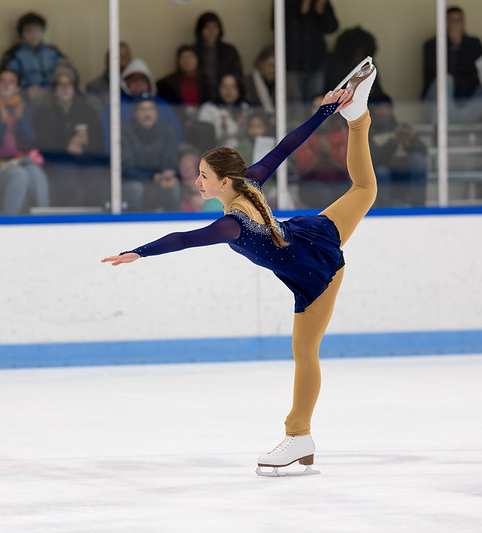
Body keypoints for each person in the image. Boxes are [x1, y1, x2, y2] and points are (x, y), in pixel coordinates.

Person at [102, 57, 379, 475]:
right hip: (314, 235)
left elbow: (184, 240)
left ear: (224, 182)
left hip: (314, 273)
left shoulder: (233, 224)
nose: (197, 182)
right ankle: (358, 117)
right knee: (364, 188)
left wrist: (139, 251)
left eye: (204, 176)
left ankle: (298, 434)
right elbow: (288, 144)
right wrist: (326, 111)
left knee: (305, 353)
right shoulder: (251, 180)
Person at [421, 6, 482, 133]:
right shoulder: (432, 45)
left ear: (464, 23)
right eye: (452, 20)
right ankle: (439, 134)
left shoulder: (474, 44)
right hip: (441, 108)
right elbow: (435, 74)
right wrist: (453, 47)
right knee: (446, 79)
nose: (456, 24)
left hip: (469, 104)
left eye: (459, 20)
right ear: (444, 23)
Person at [34, 63, 107, 208]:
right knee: (67, 179)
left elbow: (99, 143)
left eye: (69, 84)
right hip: (58, 163)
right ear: (54, 89)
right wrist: (66, 148)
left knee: (97, 176)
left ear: (75, 87)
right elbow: (41, 145)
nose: (65, 88)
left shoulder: (86, 110)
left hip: (86, 160)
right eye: (60, 84)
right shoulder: (44, 112)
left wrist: (86, 147)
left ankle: (95, 222)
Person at [0, 69, 49, 215]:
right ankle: (9, 221)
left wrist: (20, 119)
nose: (6, 85)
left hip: (21, 160)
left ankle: (44, 218)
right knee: (19, 175)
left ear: (17, 88)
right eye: (2, 81)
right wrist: (2, 123)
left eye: (11, 82)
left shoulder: (25, 109)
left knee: (36, 173)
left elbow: (30, 142)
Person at [120, 93, 181, 212]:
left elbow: (170, 160)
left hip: (159, 180)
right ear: (135, 113)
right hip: (135, 181)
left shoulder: (166, 129)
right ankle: (135, 225)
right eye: (142, 109)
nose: (147, 114)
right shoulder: (125, 130)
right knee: (134, 189)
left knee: (174, 187)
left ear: (156, 112)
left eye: (151, 109)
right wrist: (153, 177)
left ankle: (173, 226)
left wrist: (166, 175)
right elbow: (126, 167)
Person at [275, 0, 339, 103]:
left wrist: (321, 11)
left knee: (315, 100)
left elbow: (332, 27)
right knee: (293, 101)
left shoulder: (320, 2)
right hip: (293, 61)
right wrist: (302, 9)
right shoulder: (283, 2)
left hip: (316, 61)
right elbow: (277, 26)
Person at [368, 94, 427, 207]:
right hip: (385, 171)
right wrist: (393, 142)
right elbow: (373, 158)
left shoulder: (402, 127)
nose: (383, 111)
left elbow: (423, 150)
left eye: (386, 107)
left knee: (418, 161)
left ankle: (418, 207)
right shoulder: (370, 132)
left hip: (405, 171)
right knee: (381, 171)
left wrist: (411, 138)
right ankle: (384, 211)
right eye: (379, 108)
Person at [293, 94, 351, 208]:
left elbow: (347, 166)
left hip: (339, 182)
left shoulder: (342, 131)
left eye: (326, 105)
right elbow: (303, 169)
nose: (321, 110)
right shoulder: (303, 132)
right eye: (316, 107)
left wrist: (329, 154)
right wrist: (320, 154)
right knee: (325, 194)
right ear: (309, 110)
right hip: (310, 184)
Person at [0, 12, 68, 104]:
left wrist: (58, 86)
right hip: (25, 98)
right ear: (21, 34)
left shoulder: (53, 52)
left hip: (55, 97)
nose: (34, 34)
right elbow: (7, 81)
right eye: (29, 31)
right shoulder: (14, 54)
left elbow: (69, 73)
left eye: (38, 30)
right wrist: (24, 91)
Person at [193, 11, 244, 102]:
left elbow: (237, 74)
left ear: (220, 30)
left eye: (215, 27)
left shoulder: (229, 50)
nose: (211, 31)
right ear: (200, 30)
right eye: (207, 27)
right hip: (200, 96)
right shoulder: (193, 51)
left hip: (226, 96)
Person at [197, 73, 250, 149]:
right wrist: (223, 131)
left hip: (243, 154)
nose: (229, 91)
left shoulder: (245, 108)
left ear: (239, 89)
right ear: (218, 88)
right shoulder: (208, 109)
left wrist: (243, 128)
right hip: (215, 154)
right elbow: (203, 139)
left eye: (233, 87)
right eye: (225, 87)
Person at [244, 45, 300, 115]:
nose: (273, 70)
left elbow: (296, 107)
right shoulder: (248, 83)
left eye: (277, 66)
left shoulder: (288, 81)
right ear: (260, 64)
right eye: (270, 66)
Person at [85, 41, 133, 114]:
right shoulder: (95, 87)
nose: (123, 59)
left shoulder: (135, 86)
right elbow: (98, 115)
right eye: (119, 55)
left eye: (126, 55)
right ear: (108, 60)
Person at [178, 144, 222, 212]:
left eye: (191, 167)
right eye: (183, 167)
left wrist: (204, 206)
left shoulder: (216, 197)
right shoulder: (175, 194)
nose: (187, 171)